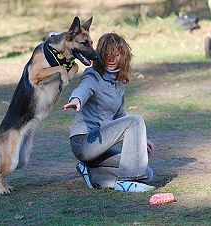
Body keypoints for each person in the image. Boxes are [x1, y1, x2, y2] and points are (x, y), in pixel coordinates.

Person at [63, 33, 155, 192]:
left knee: (145, 173)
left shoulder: (120, 82)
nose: (111, 58)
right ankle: (126, 181)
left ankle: (95, 176)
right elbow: (84, 88)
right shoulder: (93, 75)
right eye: (107, 53)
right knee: (135, 120)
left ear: (123, 55)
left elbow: (120, 118)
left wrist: (140, 140)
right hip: (84, 142)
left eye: (116, 54)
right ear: (100, 54)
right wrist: (77, 99)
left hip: (101, 148)